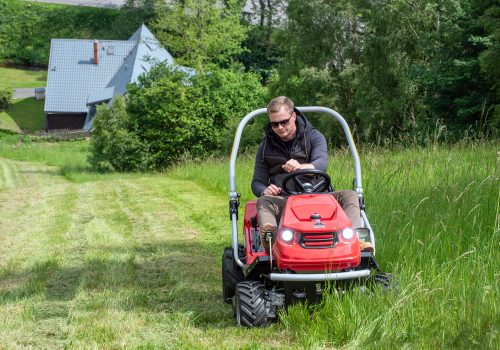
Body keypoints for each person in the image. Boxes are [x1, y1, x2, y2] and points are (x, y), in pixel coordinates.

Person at [251, 96, 362, 252]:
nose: (280, 127)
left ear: (294, 116)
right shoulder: (265, 147)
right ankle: (273, 244)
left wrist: (300, 167)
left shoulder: (314, 137)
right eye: (275, 124)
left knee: (351, 195)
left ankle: (355, 239)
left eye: (284, 122)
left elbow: (321, 164)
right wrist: (265, 190)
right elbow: (257, 182)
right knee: (263, 201)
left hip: (320, 198)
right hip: (285, 200)